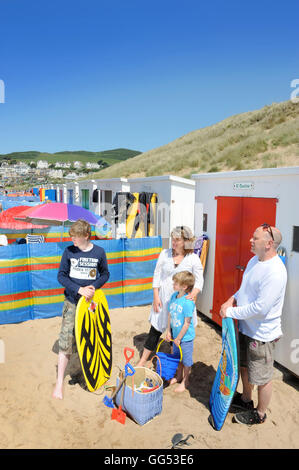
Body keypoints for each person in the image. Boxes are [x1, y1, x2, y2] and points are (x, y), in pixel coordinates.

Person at [220, 223, 287, 426]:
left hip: (263, 334)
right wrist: (232, 298)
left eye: (255, 238)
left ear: (268, 244)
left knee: (263, 377)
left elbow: (260, 308)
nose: (250, 240)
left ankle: (260, 414)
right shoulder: (253, 261)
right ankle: (246, 400)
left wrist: (230, 311)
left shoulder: (276, 272)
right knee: (245, 367)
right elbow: (245, 289)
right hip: (246, 328)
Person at [52, 219, 110, 399]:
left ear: (86, 236)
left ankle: (92, 372)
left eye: (76, 237)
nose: (72, 240)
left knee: (92, 338)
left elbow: (105, 273)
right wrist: (79, 289)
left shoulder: (99, 252)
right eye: (71, 236)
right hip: (72, 303)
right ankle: (59, 383)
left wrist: (94, 286)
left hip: (92, 305)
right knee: (66, 341)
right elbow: (61, 276)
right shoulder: (69, 251)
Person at [137, 225, 204, 367]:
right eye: (173, 239)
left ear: (186, 241)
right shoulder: (164, 254)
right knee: (155, 330)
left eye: (177, 240)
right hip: (163, 297)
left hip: (181, 301)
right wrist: (156, 296)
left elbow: (199, 280)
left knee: (178, 333)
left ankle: (176, 367)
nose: (173, 242)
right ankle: (143, 360)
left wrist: (193, 294)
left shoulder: (193, 259)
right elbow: (157, 274)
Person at [165, 271, 196, 392]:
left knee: (186, 360)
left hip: (185, 338)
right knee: (177, 357)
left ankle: (185, 380)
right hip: (175, 336)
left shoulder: (188, 302)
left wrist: (179, 338)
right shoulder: (174, 297)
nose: (173, 284)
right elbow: (170, 315)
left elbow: (187, 323)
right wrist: (169, 331)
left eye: (176, 283)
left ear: (184, 286)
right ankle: (179, 376)